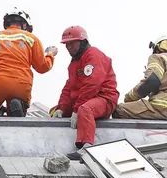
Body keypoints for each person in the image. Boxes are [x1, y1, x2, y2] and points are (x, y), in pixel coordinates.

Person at [0, 8, 58, 161]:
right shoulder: (31, 38)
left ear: (7, 23)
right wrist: (50, 55)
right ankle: (18, 106)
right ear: (25, 25)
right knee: (17, 102)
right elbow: (42, 67)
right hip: (22, 84)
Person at [49, 26, 119, 159]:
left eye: (71, 43)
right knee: (56, 110)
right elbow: (69, 87)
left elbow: (93, 85)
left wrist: (76, 109)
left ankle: (87, 147)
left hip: (104, 98)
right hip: (84, 99)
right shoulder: (74, 63)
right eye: (66, 44)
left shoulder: (93, 55)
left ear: (82, 41)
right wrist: (62, 108)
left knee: (85, 109)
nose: (68, 47)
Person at [115, 34, 167, 120]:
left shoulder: (159, 58)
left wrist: (129, 97)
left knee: (119, 110)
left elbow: (152, 81)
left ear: (157, 47)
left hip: (162, 108)